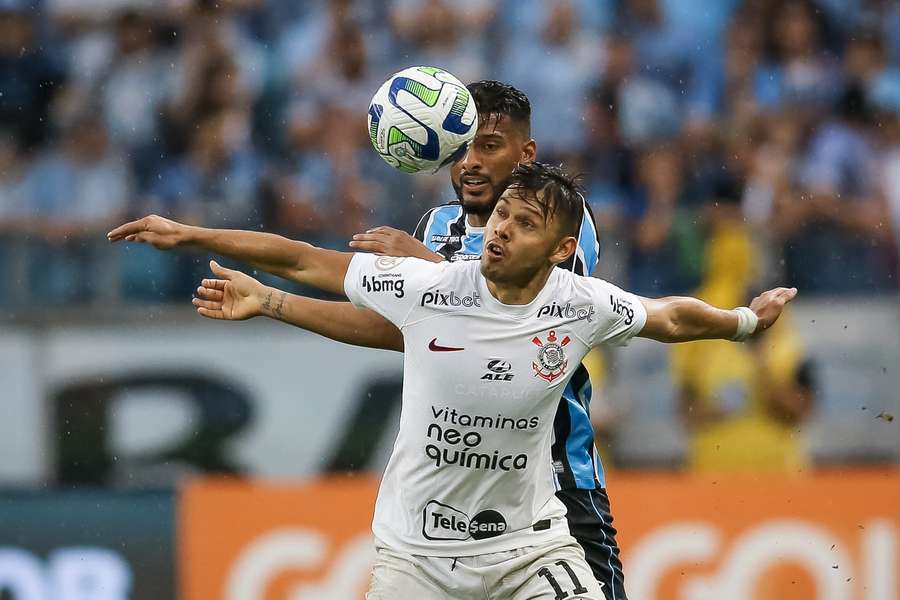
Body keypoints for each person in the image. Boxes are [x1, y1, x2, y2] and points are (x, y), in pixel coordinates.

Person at [114, 161, 795, 599]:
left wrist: (743, 322)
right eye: (501, 215)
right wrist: (192, 234)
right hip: (416, 556)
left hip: (527, 547)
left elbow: (670, 317)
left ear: (562, 251)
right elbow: (303, 259)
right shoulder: (432, 286)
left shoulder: (580, 304)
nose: (499, 232)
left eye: (524, 225)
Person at [111, 80, 632, 598]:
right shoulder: (439, 227)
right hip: (447, 505)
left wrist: (422, 263)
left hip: (555, 485)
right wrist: (273, 301)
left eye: (489, 146)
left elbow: (525, 313)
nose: (470, 162)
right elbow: (400, 330)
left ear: (526, 154)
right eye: (461, 146)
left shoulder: (562, 219)